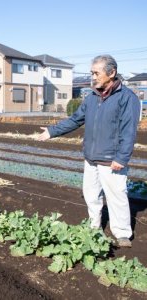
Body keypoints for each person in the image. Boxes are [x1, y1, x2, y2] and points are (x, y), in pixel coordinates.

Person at [37, 55, 141, 248]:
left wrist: (122, 158)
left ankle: (122, 233)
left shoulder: (127, 98)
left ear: (111, 73)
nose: (93, 77)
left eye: (96, 73)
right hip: (91, 157)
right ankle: (94, 228)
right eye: (92, 73)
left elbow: (129, 130)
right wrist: (52, 131)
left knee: (116, 196)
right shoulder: (92, 97)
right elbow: (75, 119)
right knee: (91, 195)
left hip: (112, 159)